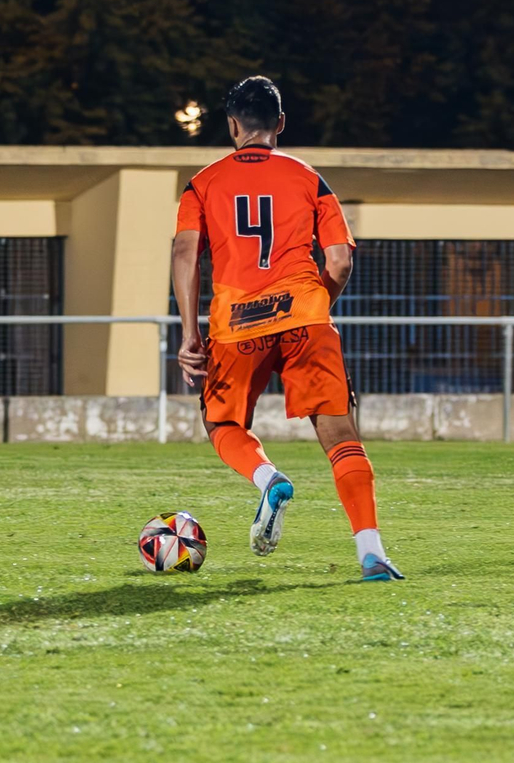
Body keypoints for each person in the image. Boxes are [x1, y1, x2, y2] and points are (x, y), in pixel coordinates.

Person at [170, 76, 404, 581]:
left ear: (232, 126)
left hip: (237, 326)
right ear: (280, 123)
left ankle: (268, 477)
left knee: (222, 425)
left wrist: (190, 334)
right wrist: (314, 305)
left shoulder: (202, 184)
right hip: (305, 317)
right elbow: (339, 261)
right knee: (340, 434)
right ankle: (373, 555)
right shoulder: (309, 178)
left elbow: (185, 253)